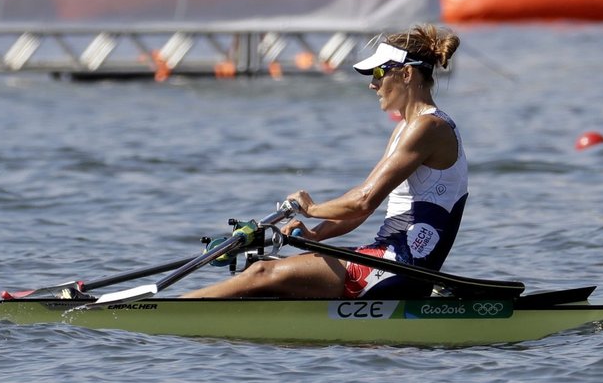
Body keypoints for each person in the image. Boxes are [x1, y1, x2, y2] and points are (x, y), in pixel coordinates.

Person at [182, 24, 467, 299]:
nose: (372, 84)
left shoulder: (429, 127)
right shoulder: (406, 128)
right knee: (271, 270)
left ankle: (167, 312)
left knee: (262, 272)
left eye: (379, 72)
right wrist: (316, 235)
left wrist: (312, 208)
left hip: (401, 264)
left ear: (406, 74)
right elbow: (360, 210)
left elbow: (364, 200)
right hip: (389, 258)